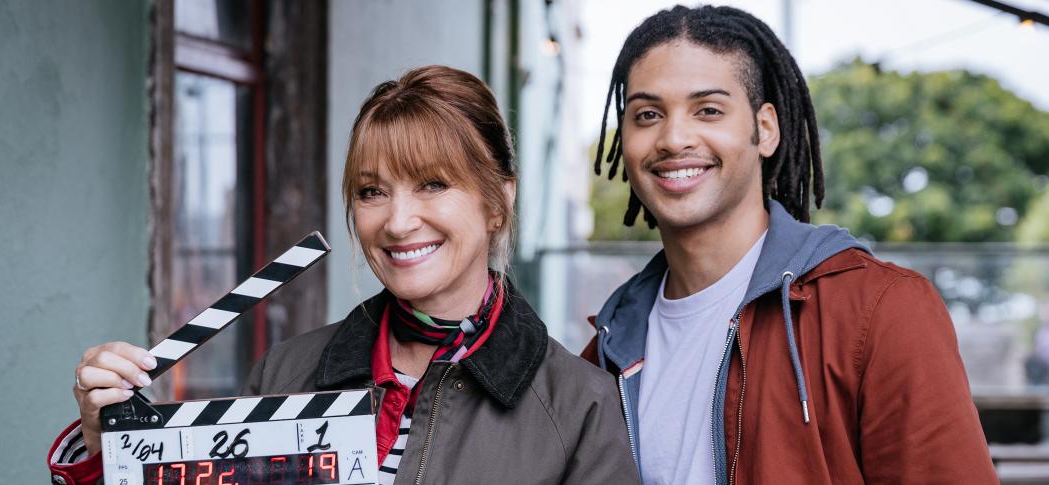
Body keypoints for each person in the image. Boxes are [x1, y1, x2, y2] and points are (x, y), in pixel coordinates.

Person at [49, 65, 639, 485]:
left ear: (497, 201)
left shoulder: (578, 407)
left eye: (433, 183)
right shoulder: (285, 372)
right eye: (371, 192)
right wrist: (115, 450)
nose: (398, 221)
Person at [581, 5, 996, 484]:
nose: (674, 138)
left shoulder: (881, 311)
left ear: (766, 129)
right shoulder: (609, 347)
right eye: (648, 114)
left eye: (709, 110)